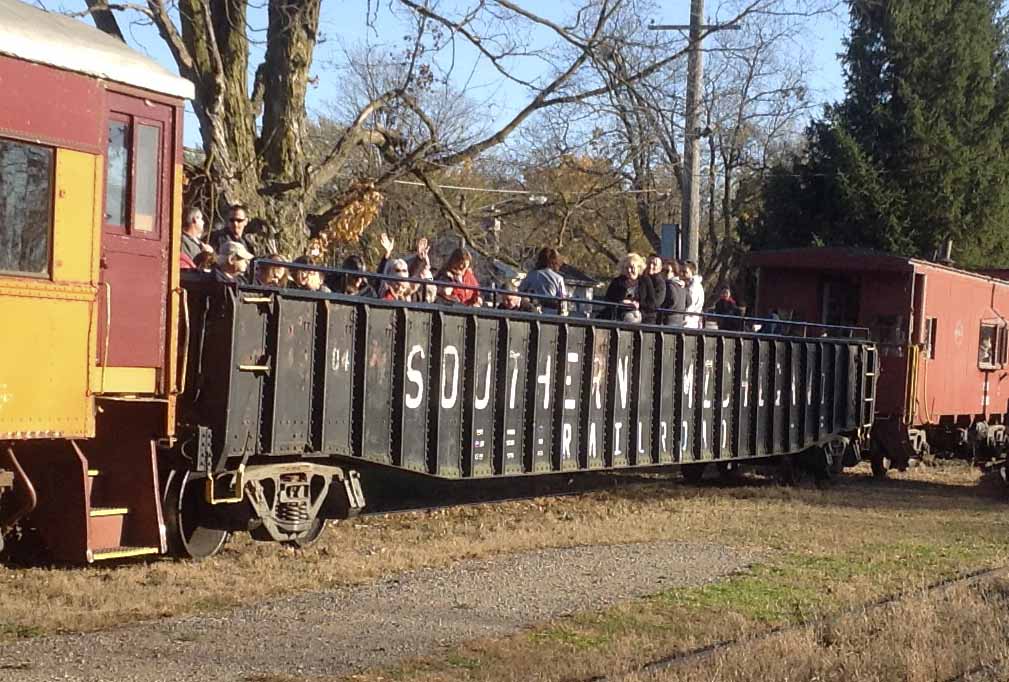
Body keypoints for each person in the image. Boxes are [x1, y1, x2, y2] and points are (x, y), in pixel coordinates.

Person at [519, 247, 568, 314]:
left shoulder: (531, 275)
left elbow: (520, 291)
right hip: (553, 313)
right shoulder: (558, 278)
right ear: (555, 262)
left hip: (533, 312)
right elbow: (563, 301)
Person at [599, 253, 644, 322]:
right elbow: (608, 299)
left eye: (632, 267)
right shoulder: (617, 282)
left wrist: (637, 304)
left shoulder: (644, 282)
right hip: (617, 315)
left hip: (639, 315)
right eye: (626, 268)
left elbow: (650, 302)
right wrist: (622, 302)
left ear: (638, 268)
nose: (629, 270)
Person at [640, 255, 667, 325]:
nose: (651, 266)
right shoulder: (640, 278)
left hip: (650, 319)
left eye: (654, 264)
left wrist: (639, 304)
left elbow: (655, 303)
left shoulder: (660, 283)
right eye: (649, 263)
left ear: (660, 268)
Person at [662, 260, 687, 326]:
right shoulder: (681, 285)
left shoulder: (668, 284)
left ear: (674, 273)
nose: (664, 273)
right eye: (663, 270)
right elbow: (689, 300)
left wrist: (667, 309)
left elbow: (673, 299)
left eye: (667, 271)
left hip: (668, 320)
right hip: (680, 320)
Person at [683, 260, 705, 329]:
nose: (682, 274)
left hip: (689, 323)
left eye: (685, 272)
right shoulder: (695, 285)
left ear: (692, 272)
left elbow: (690, 306)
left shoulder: (693, 287)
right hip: (691, 322)